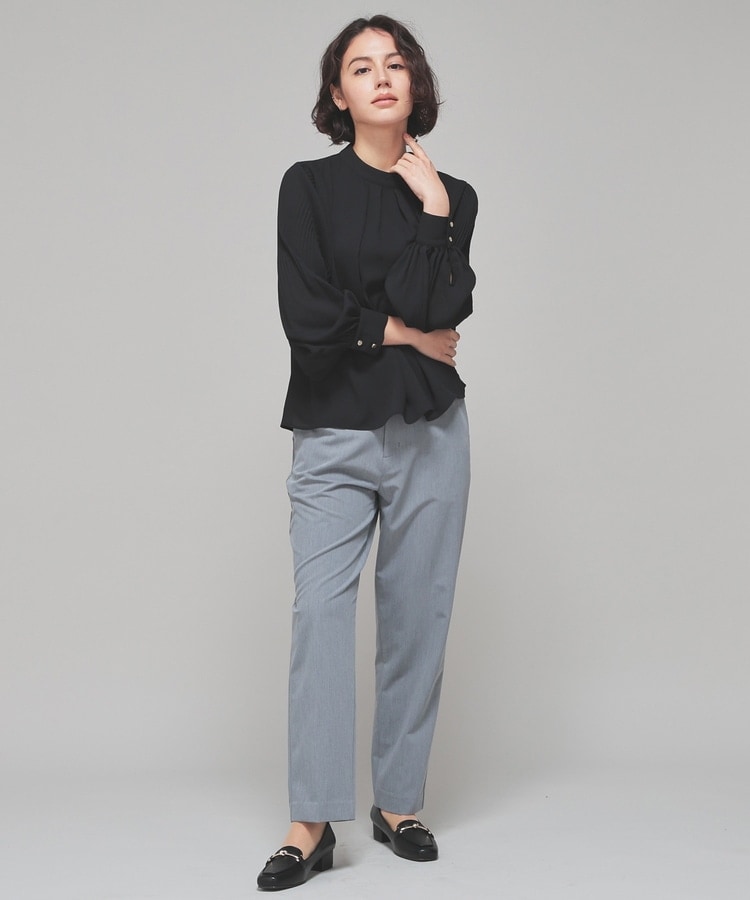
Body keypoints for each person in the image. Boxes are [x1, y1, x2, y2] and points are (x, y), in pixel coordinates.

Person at [257, 14, 478, 891]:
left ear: (415, 84)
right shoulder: (307, 186)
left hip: (432, 431)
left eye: (395, 63)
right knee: (320, 615)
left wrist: (434, 211)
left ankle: (399, 804)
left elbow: (442, 306)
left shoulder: (453, 194)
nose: (381, 77)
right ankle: (310, 822)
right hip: (334, 430)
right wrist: (407, 335)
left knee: (418, 615)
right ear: (338, 94)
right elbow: (308, 320)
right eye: (361, 67)